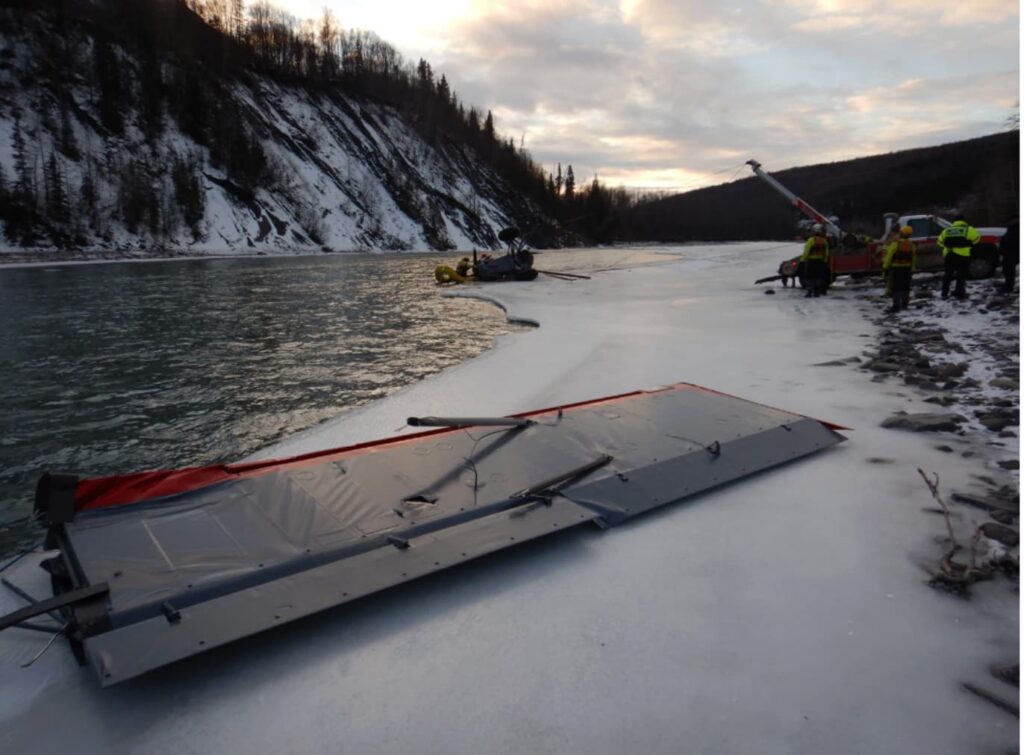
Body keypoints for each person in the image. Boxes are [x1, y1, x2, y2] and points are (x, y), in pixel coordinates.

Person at [937, 214, 980, 300]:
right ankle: (959, 293)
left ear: (955, 221)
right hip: (963, 255)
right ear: (964, 221)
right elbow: (977, 239)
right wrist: (967, 244)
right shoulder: (969, 229)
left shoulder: (947, 230)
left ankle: (944, 293)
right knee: (961, 274)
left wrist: (949, 245)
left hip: (949, 254)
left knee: (948, 274)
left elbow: (939, 242)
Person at [882, 225, 916, 312]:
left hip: (896, 269)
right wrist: (912, 270)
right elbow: (913, 259)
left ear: (901, 233)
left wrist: (885, 267)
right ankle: (905, 305)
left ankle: (896, 306)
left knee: (896, 288)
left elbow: (889, 256)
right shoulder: (912, 245)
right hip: (907, 269)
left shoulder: (896, 244)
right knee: (905, 287)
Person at [800, 223, 831, 297]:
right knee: (818, 276)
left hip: (811, 261)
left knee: (810, 277)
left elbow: (806, 251)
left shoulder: (811, 240)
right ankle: (817, 291)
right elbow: (826, 252)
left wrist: (802, 260)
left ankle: (810, 290)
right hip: (820, 261)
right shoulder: (824, 241)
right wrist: (825, 260)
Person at [999, 215, 1019, 294]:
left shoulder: (1011, 230)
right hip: (1013, 253)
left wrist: (1001, 251)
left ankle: (1008, 287)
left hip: (1010, 254)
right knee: (1009, 271)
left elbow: (1005, 241)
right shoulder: (1012, 229)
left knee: (1009, 272)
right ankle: (1008, 286)